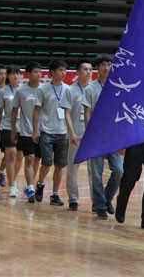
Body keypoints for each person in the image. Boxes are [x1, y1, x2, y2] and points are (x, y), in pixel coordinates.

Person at [82, 54, 125, 220]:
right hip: (96, 137)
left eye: (109, 64)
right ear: (97, 68)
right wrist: (89, 134)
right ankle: (100, 206)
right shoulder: (90, 89)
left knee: (119, 170)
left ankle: (106, 199)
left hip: (113, 136)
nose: (106, 68)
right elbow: (87, 112)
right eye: (103, 65)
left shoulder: (118, 86)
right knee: (96, 174)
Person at [32, 59, 69, 206]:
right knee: (46, 163)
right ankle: (40, 184)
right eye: (60, 70)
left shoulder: (68, 89)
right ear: (52, 72)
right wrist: (35, 131)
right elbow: (36, 110)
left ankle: (55, 194)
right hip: (46, 131)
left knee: (60, 165)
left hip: (63, 132)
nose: (63, 73)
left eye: (65, 70)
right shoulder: (43, 89)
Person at [60, 59, 93, 211]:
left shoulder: (95, 89)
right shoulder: (70, 90)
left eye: (90, 69)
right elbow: (66, 113)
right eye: (85, 69)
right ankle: (73, 198)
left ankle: (96, 200)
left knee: (94, 170)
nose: (88, 72)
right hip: (76, 135)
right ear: (78, 72)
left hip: (91, 136)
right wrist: (71, 132)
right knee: (72, 168)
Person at [12, 62, 43, 202]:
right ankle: (30, 186)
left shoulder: (44, 89)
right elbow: (14, 110)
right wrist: (13, 129)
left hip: (42, 130)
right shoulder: (21, 91)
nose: (39, 74)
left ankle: (30, 184)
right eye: (36, 72)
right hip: (26, 130)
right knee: (29, 158)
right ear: (28, 74)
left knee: (37, 159)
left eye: (40, 72)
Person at [0, 65, 22, 197]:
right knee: (11, 154)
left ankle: (13, 179)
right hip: (8, 126)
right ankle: (11, 185)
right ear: (8, 76)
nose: (15, 76)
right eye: (12, 74)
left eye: (17, 73)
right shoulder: (3, 91)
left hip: (23, 126)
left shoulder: (24, 90)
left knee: (19, 156)